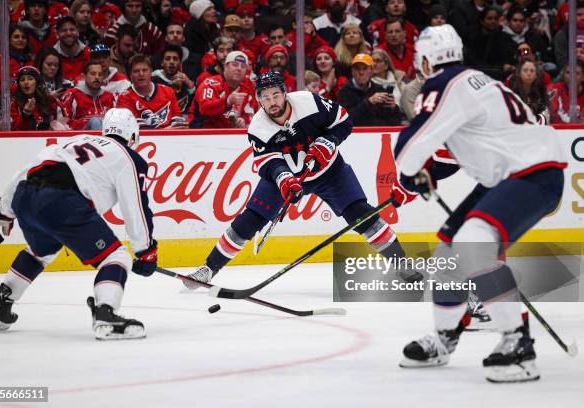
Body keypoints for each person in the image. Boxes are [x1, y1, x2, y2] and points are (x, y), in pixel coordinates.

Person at [393, 25, 566, 383]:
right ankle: (444, 338)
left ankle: (518, 344)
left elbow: (412, 146)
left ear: (426, 59)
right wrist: (425, 168)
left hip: (531, 173)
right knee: (447, 255)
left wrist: (411, 171)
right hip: (512, 174)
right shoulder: (477, 82)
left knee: (472, 243)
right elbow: (473, 141)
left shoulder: (442, 84)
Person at [184, 71, 417, 289]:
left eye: (276, 94)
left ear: (285, 93)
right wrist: (285, 179)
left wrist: (328, 141)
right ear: (259, 101)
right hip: (286, 179)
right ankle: (208, 269)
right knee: (249, 221)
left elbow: (344, 121)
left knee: (361, 214)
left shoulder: (309, 102)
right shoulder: (258, 127)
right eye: (266, 97)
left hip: (330, 172)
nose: (272, 101)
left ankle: (402, 264)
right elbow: (269, 163)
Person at [0, 108, 157, 340]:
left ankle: (0, 305)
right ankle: (106, 315)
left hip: (26, 196)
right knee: (116, 257)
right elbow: (136, 207)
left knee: (41, 251)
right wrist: (145, 250)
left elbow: (24, 173)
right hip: (62, 201)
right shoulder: (129, 157)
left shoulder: (74, 140)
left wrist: (1, 213)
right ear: (133, 137)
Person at [116, 53, 186, 128]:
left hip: (172, 137)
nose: (141, 74)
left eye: (145, 70)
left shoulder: (168, 91)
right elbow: (137, 129)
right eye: (136, 71)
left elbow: (178, 119)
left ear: (151, 72)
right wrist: (166, 131)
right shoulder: (124, 98)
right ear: (130, 74)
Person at [193, 50, 257, 128]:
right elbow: (204, 110)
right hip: (204, 134)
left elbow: (251, 116)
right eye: (235, 65)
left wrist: (243, 121)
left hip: (231, 136)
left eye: (243, 66)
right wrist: (227, 101)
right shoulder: (210, 84)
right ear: (225, 67)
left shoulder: (246, 90)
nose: (239, 69)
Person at [338, 53, 404, 126]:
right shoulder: (344, 92)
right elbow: (345, 120)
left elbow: (395, 122)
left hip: (376, 134)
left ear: (371, 71)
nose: (361, 72)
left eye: (365, 68)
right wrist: (368, 103)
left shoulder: (379, 90)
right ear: (352, 71)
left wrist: (394, 108)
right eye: (357, 68)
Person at [62, 61, 115, 130]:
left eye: (100, 74)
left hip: (107, 135)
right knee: (95, 121)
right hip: (79, 137)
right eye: (93, 74)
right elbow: (63, 123)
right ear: (83, 76)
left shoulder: (110, 96)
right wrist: (87, 122)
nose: (97, 77)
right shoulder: (72, 95)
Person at [10, 66, 63, 130]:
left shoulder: (50, 100)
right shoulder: (14, 104)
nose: (26, 82)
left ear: (37, 83)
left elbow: (63, 124)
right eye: (22, 80)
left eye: (30, 79)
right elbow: (14, 129)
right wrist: (26, 113)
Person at [152, 44, 196, 116]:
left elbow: (194, 106)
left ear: (180, 63)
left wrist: (190, 85)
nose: (172, 62)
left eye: (175, 59)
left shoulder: (185, 80)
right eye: (168, 58)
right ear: (161, 63)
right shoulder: (153, 79)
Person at [52, 16, 91, 82]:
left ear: (77, 31)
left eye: (72, 29)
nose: (68, 33)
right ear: (57, 33)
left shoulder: (88, 53)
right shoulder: (52, 55)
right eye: (64, 30)